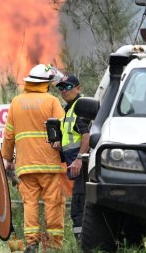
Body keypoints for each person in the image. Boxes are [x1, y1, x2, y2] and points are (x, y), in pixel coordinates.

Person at [1, 64, 66, 253]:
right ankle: (54, 245)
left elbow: (9, 135)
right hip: (50, 164)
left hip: (25, 165)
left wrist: (7, 159)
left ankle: (31, 243)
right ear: (46, 83)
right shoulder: (52, 101)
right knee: (53, 203)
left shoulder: (16, 102)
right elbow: (62, 131)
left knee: (30, 204)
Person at [53, 75, 90, 244]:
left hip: (83, 166)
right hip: (76, 166)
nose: (63, 91)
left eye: (68, 87)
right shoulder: (70, 108)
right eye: (61, 88)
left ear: (78, 88)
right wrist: (60, 143)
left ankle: (84, 244)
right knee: (79, 205)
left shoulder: (81, 107)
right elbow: (73, 136)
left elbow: (87, 135)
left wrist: (79, 159)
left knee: (79, 206)